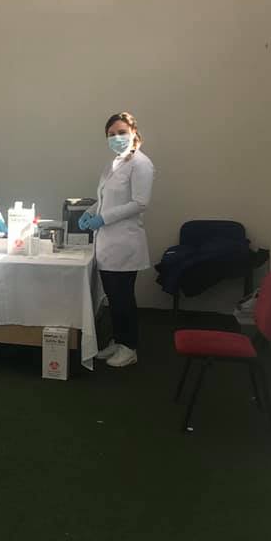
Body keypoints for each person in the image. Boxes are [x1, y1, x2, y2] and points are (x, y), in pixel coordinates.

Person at [79, 112, 155, 368]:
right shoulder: (113, 164)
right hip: (107, 243)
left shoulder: (141, 164)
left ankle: (130, 347)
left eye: (121, 132)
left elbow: (140, 203)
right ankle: (119, 340)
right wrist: (90, 213)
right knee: (113, 298)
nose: (116, 138)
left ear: (133, 132)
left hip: (125, 243)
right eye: (111, 134)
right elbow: (104, 199)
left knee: (123, 298)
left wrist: (103, 219)